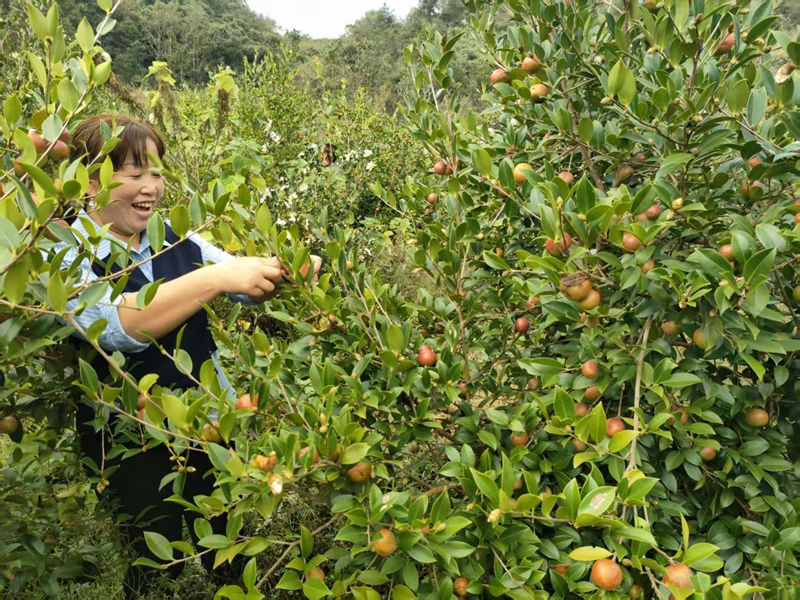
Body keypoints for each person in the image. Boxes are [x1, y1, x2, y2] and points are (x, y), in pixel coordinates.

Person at [61, 114, 318, 598]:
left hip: (210, 420)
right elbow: (117, 326)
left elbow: (241, 282)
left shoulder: (177, 239)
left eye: (156, 174)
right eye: (133, 174)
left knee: (231, 537)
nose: (149, 187)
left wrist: (280, 271)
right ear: (90, 180)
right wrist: (216, 279)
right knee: (154, 558)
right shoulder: (64, 251)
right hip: (128, 437)